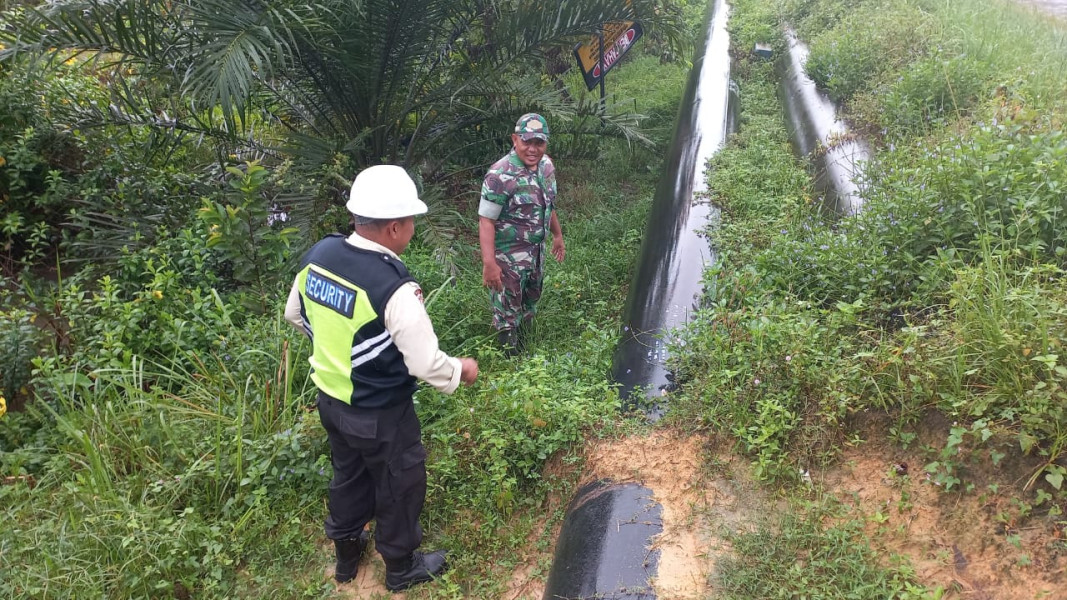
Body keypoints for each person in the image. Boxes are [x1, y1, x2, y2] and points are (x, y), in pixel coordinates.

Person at [284, 165, 478, 591]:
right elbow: (426, 364)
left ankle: (346, 555)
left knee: (349, 474)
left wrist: (336, 353)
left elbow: (295, 314)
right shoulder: (394, 289)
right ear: (394, 227)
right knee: (398, 483)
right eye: (411, 221)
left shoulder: (320, 255)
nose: (412, 229)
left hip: (330, 402)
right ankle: (401, 565)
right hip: (380, 414)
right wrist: (460, 370)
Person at [478, 113, 565, 354]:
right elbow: (486, 221)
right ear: (515, 139)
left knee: (530, 303)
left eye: (539, 143)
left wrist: (557, 235)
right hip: (508, 259)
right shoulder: (500, 174)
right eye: (527, 142)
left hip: (536, 253)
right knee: (507, 311)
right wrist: (489, 264)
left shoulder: (546, 166)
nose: (533, 149)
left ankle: (527, 350)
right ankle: (509, 363)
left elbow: (549, 204)